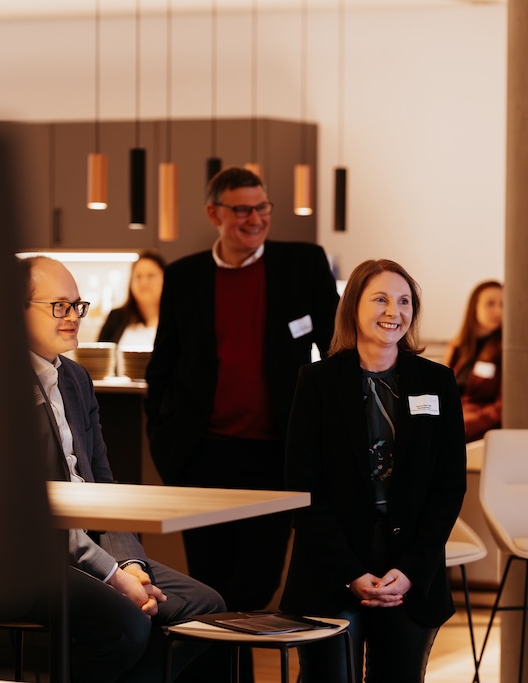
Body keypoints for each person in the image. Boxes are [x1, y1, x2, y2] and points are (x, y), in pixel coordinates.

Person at [144, 167, 340, 682]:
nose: (256, 219)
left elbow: (337, 350)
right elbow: (162, 367)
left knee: (254, 585)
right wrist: (167, 449)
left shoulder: (302, 264)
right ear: (215, 214)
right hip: (204, 455)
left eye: (263, 208)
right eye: (243, 210)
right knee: (207, 587)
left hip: (276, 455)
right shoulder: (185, 276)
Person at [19, 255, 226, 682]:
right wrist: (113, 575)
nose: (73, 316)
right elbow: (32, 510)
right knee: (129, 623)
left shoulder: (76, 378)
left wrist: (130, 564)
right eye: (59, 306)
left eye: (78, 305)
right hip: (29, 558)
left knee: (207, 607)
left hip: (87, 547)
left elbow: (102, 485)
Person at [279, 259, 467, 683]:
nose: (393, 312)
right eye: (380, 299)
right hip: (332, 568)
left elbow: (448, 487)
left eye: (404, 301)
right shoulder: (317, 382)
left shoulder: (437, 382)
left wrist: (413, 570)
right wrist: (351, 573)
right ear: (353, 308)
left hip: (411, 571)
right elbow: (303, 490)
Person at [443, 280, 503, 442]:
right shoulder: (457, 347)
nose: (498, 311)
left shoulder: (505, 350)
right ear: (474, 306)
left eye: (503, 305)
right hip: (450, 421)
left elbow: (502, 407)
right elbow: (442, 392)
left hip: (477, 430)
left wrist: (462, 424)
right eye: (490, 304)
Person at [98, 249, 166, 349]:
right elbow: (100, 357)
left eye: (151, 276)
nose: (144, 283)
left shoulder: (178, 319)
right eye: (138, 276)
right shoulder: (116, 317)